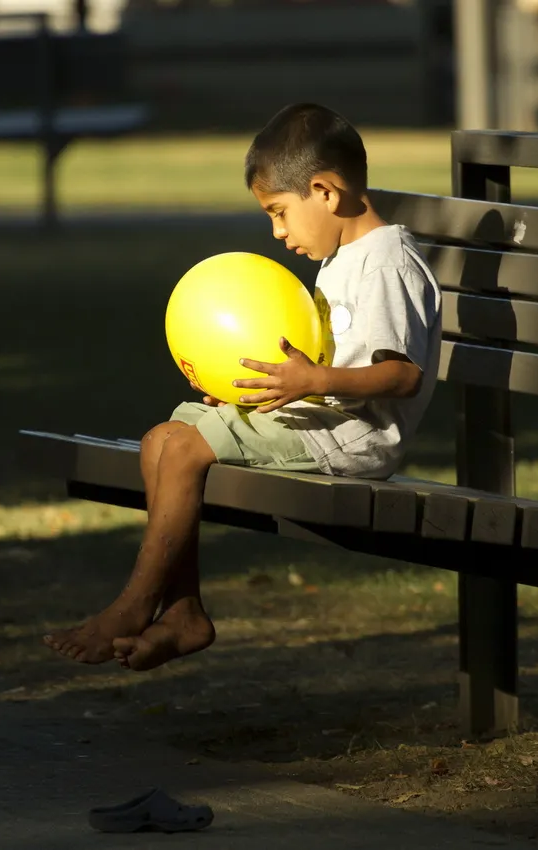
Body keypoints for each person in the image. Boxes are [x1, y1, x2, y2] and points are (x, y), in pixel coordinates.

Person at [43, 103, 443, 671]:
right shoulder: (346, 257)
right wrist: (255, 392)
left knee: (182, 446)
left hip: (351, 440)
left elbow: (403, 375)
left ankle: (132, 607)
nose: (277, 233)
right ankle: (183, 612)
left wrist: (313, 380)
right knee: (166, 436)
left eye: (280, 213)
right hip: (321, 422)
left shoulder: (384, 265)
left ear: (325, 192)